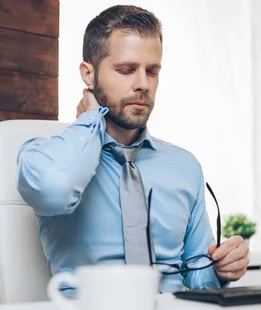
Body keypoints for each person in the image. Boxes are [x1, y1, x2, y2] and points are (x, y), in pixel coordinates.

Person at [16, 5, 249, 292]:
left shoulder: (184, 166)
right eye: (126, 70)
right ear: (88, 75)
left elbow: (198, 277)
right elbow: (55, 189)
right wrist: (89, 120)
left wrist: (221, 268)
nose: (143, 85)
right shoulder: (43, 157)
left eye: (152, 72)